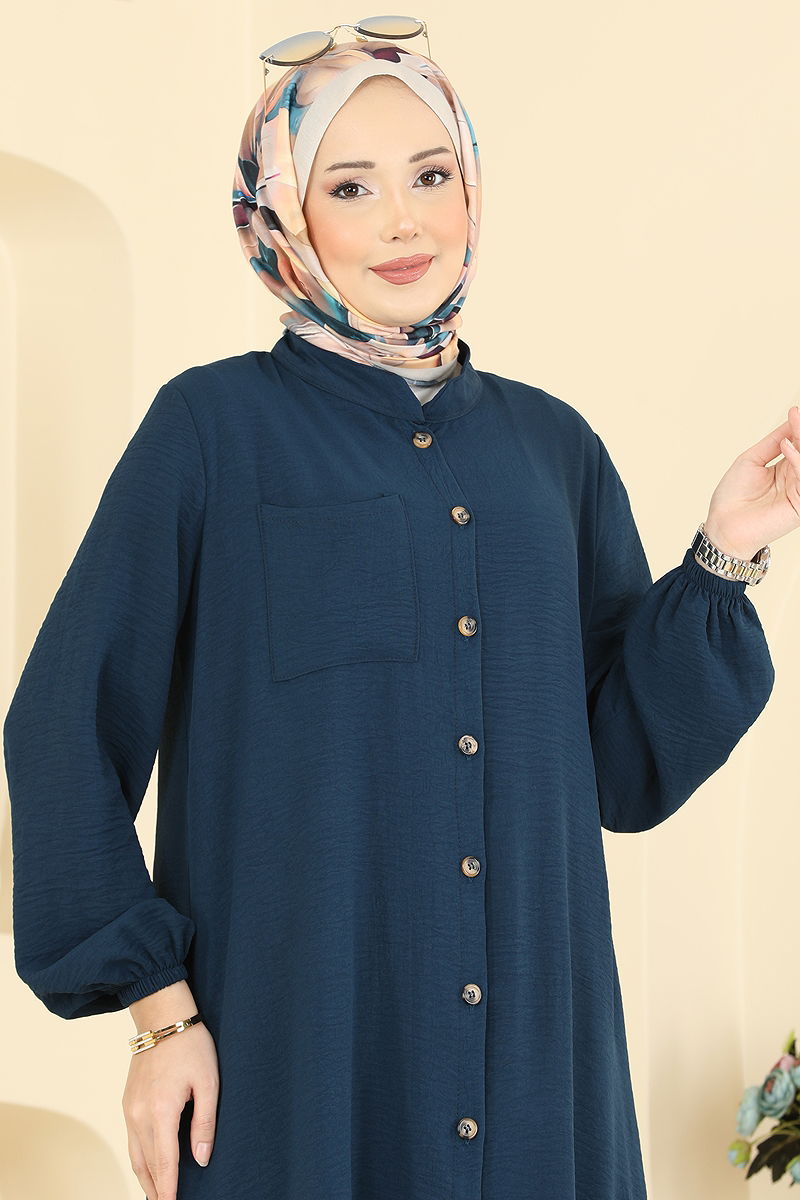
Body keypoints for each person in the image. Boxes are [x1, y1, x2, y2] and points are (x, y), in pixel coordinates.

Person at [3, 23, 798, 1200]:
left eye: (431, 176)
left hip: (534, 1070)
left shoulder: (552, 450)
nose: (401, 222)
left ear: (471, 190)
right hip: (297, 1063)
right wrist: (159, 1016)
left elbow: (622, 765)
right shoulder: (210, 432)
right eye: (349, 187)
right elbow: (63, 725)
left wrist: (725, 549)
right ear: (282, 215)